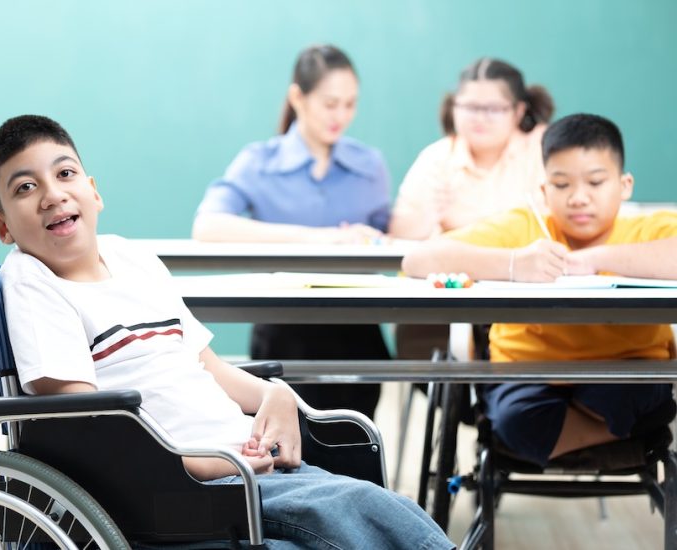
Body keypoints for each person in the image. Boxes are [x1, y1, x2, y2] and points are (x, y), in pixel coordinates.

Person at [0, 114, 454, 549]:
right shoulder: (31, 279)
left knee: (375, 506)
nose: (52, 194)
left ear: (94, 190)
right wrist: (198, 464)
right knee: (359, 509)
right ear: (2, 226)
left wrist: (276, 394)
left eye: (65, 174)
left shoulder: (132, 258)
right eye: (25, 187)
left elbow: (207, 366)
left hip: (242, 466)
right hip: (176, 488)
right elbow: (81, 422)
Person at [402, 113, 677, 467]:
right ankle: (632, 429)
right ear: (545, 191)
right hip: (527, 371)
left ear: (624, 185)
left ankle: (591, 431)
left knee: (636, 395)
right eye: (562, 185)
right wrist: (514, 263)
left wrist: (595, 259)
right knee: (517, 418)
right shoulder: (525, 227)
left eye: (595, 182)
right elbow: (417, 259)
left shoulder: (649, 230)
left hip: (623, 369)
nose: (579, 198)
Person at [192, 45, 390, 429]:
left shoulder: (369, 165)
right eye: (330, 103)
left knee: (357, 439)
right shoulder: (259, 161)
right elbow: (208, 225)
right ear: (297, 97)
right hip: (284, 328)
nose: (342, 116)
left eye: (350, 104)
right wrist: (320, 239)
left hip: (358, 329)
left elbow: (393, 235)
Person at [390, 57, 554, 241]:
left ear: (518, 111)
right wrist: (427, 217)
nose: (479, 118)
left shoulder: (543, 148)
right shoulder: (436, 158)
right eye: (469, 107)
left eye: (493, 109)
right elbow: (399, 234)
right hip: (454, 266)